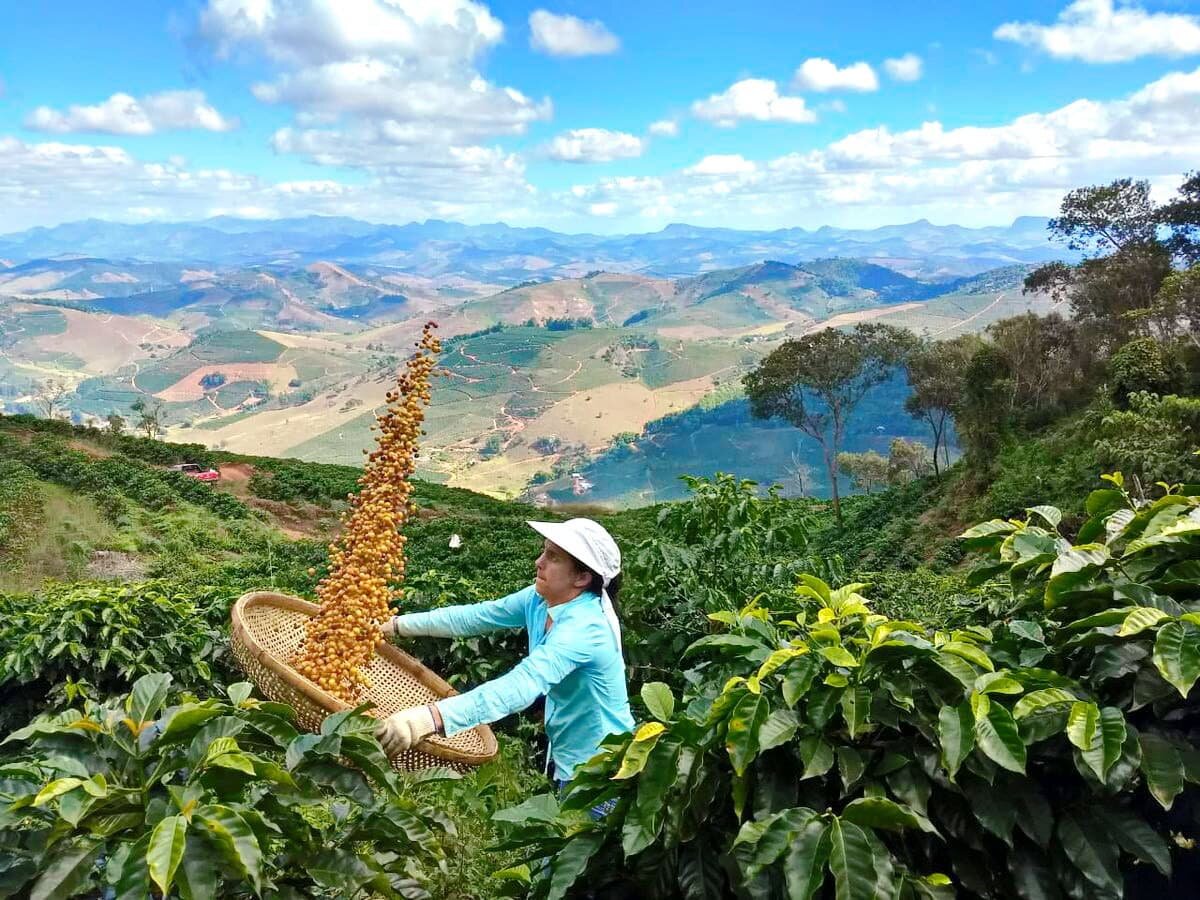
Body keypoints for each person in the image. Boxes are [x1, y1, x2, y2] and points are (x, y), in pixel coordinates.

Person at [375, 518, 634, 795]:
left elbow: (522, 684)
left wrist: (430, 718)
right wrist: (395, 625)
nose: (539, 562)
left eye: (553, 557)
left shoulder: (585, 627)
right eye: (544, 551)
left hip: (604, 768)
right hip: (569, 757)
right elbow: (476, 616)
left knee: (588, 822)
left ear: (582, 578)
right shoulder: (540, 600)